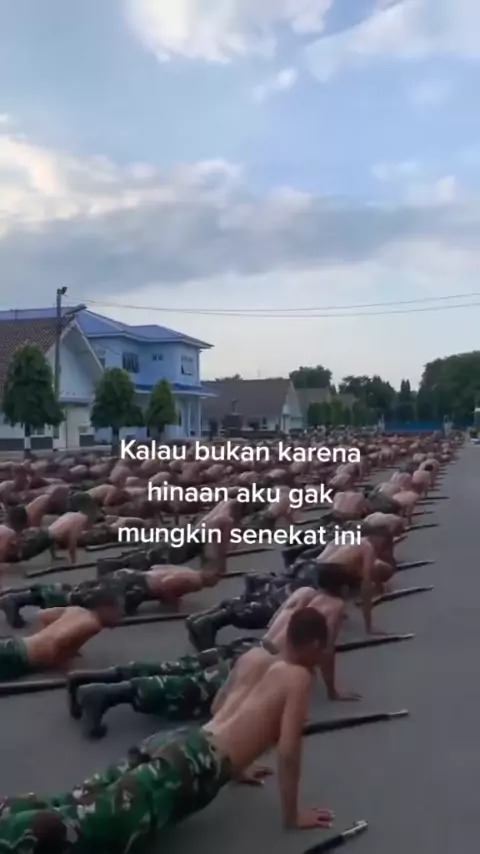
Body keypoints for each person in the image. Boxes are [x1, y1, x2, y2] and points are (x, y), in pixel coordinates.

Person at [0, 608, 334, 850]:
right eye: (324, 647)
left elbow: (219, 708)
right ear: (314, 644)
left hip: (180, 740)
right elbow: (288, 750)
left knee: (73, 800)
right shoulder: (297, 677)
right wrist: (293, 815)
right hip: (193, 766)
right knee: (81, 828)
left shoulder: (254, 657)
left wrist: (239, 765)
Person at [71, 580, 360, 738]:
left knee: (178, 667)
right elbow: (325, 650)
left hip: (252, 645)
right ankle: (106, 694)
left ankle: (98, 678)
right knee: (187, 688)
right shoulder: (334, 607)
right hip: (262, 660)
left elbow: (275, 619)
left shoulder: (304, 592)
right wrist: (332, 691)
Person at [0, 561, 223, 629]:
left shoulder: (187, 571)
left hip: (132, 577)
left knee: (82, 591)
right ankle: (20, 599)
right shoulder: (194, 581)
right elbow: (166, 585)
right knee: (85, 600)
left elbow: (157, 568)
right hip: (132, 583)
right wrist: (171, 605)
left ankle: (24, 597)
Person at [0, 590, 122, 682]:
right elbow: (60, 641)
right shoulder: (93, 624)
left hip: (18, 644)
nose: (120, 615)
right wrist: (61, 664)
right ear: (104, 608)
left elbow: (43, 615)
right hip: (18, 658)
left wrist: (43, 638)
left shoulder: (77, 610)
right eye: (116, 611)